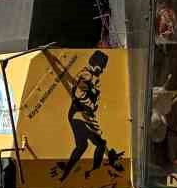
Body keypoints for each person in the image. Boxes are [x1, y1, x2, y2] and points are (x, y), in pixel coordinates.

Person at [50, 51, 123, 181]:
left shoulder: (90, 77)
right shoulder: (86, 76)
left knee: (82, 146)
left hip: (78, 115)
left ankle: (66, 173)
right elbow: (79, 95)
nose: (102, 71)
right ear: (96, 65)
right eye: (101, 67)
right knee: (99, 143)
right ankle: (95, 171)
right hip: (80, 115)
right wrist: (91, 103)